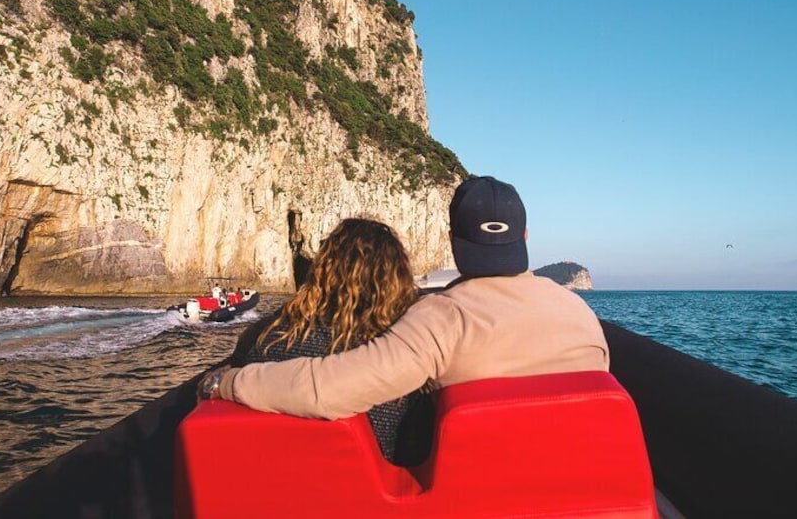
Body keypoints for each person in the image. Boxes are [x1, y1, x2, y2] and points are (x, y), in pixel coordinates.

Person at [205, 176, 609, 422]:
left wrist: (230, 380)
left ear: (454, 242)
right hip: (592, 495)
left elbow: (328, 390)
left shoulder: (442, 318)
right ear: (524, 237)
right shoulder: (579, 313)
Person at [199, 218, 426, 463]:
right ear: (396, 280)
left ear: (321, 271)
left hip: (276, 483)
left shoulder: (267, 340)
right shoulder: (400, 357)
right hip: (363, 494)